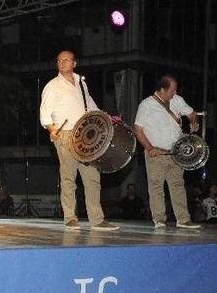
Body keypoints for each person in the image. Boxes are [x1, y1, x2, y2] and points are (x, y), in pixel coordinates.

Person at [39, 50, 119, 231]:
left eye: (66, 60)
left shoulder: (81, 83)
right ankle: (70, 217)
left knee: (92, 177)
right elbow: (44, 112)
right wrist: (52, 129)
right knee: (69, 178)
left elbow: (89, 105)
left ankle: (97, 220)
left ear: (74, 63)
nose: (62, 63)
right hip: (65, 133)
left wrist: (106, 118)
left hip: (85, 134)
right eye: (59, 60)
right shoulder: (52, 86)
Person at [133, 75, 202, 230]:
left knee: (178, 185)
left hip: (177, 153)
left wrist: (194, 122)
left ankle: (183, 219)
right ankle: (159, 219)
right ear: (162, 89)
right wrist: (149, 148)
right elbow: (138, 129)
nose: (175, 92)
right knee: (156, 186)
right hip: (156, 153)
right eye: (172, 90)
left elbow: (192, 113)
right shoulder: (146, 105)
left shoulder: (177, 100)